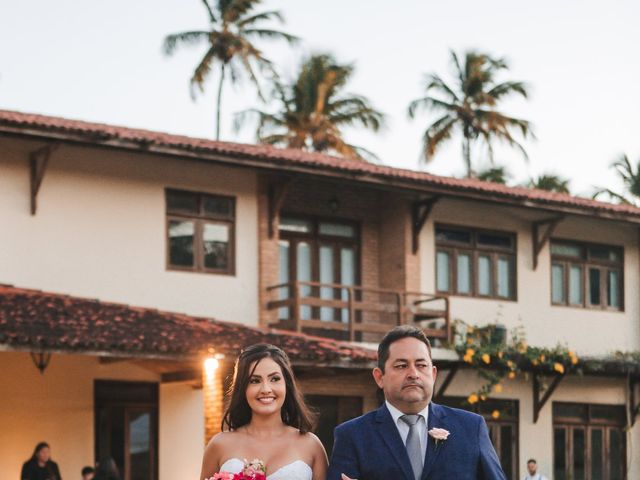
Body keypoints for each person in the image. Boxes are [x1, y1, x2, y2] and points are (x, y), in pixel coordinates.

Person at [327, 325, 507, 480]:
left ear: (434, 374)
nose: (413, 373)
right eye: (401, 366)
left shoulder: (471, 428)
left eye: (421, 365)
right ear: (379, 377)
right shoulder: (352, 436)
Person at [199, 343, 328, 480]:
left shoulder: (311, 445)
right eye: (254, 381)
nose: (266, 389)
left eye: (275, 379)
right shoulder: (219, 444)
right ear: (242, 388)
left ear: (287, 384)